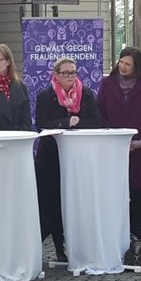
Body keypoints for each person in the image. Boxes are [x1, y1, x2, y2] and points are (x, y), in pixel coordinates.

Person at [35, 58, 100, 262]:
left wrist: (78, 122)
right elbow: (41, 124)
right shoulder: (46, 96)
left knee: (72, 202)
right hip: (50, 158)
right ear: (56, 75)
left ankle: (72, 245)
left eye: (73, 73)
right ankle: (53, 243)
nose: (70, 77)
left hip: (77, 159)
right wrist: (65, 122)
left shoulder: (86, 94)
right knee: (50, 202)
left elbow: (97, 121)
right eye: (65, 73)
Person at [97, 46, 141, 240]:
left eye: (128, 64)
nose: (123, 67)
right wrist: (111, 137)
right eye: (121, 62)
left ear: (137, 67)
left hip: (140, 150)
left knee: (138, 193)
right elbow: (100, 113)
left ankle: (136, 237)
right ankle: (115, 235)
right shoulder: (107, 83)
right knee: (114, 194)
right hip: (113, 149)